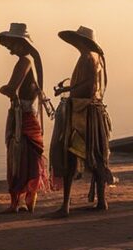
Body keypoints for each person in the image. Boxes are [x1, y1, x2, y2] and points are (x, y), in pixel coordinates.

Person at [48, 26, 114, 218]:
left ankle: (66, 205)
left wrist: (71, 94)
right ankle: (101, 200)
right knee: (96, 155)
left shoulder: (88, 57)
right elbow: (89, 84)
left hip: (83, 113)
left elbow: (90, 85)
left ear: (83, 42)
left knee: (70, 153)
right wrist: (67, 89)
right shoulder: (95, 57)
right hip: (90, 109)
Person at [0, 22, 50, 214]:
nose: (10, 48)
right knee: (29, 159)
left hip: (22, 116)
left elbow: (12, 88)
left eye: (12, 44)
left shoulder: (24, 62)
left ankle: (15, 202)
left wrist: (3, 89)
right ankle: (28, 200)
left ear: (21, 43)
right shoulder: (29, 61)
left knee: (18, 159)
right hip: (28, 115)